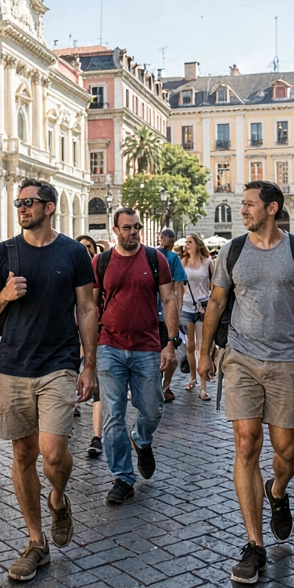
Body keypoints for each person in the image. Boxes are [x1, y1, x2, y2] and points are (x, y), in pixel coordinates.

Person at [201, 181, 294, 585]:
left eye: (250, 204)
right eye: (242, 204)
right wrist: (204, 353)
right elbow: (216, 301)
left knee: (287, 451)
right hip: (239, 357)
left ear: (272, 209)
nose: (243, 210)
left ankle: (277, 490)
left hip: (286, 358)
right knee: (246, 443)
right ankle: (254, 545)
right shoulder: (232, 250)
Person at [0, 179, 99, 582]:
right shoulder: (4, 252)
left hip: (59, 364)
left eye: (29, 202)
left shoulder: (74, 252)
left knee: (54, 453)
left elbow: (87, 308)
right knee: (23, 455)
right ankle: (35, 542)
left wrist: (89, 365)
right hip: (13, 365)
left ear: (49, 207)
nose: (21, 208)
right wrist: (5, 296)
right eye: (18, 202)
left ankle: (58, 498)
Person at [92, 208, 179, 504]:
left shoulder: (155, 259)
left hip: (147, 346)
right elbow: (91, 306)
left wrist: (171, 342)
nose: (133, 232)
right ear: (115, 230)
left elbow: (169, 299)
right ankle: (123, 478)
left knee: (153, 409)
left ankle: (141, 438)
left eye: (137, 227)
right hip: (109, 346)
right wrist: (89, 349)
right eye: (127, 227)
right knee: (113, 415)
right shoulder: (101, 261)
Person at [74, 235, 105, 456]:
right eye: (81, 247)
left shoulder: (100, 271)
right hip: (70, 333)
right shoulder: (70, 271)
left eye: (88, 247)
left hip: (99, 333)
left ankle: (97, 436)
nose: (85, 250)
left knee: (97, 384)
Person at [180, 234, 215, 402]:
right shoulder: (182, 262)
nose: (187, 245)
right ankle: (192, 378)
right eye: (186, 242)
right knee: (190, 346)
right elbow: (178, 286)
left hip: (203, 308)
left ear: (197, 244)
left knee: (202, 347)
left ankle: (203, 387)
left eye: (190, 242)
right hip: (186, 307)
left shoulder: (208, 262)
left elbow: (215, 284)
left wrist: (210, 300)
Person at [156, 228, 189, 402]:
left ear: (161, 238)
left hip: (152, 314)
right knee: (170, 354)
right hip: (164, 316)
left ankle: (158, 387)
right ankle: (164, 387)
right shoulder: (173, 259)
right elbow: (178, 288)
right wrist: (178, 311)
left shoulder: (151, 255)